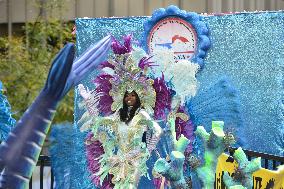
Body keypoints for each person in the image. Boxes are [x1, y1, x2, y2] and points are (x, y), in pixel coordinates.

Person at [79, 87, 162, 189]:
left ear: (138, 97)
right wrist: (88, 101)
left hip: (136, 161)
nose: (129, 98)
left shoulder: (142, 114)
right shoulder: (118, 116)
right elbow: (98, 122)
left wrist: (146, 151)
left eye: (133, 95)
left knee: (131, 186)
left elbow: (158, 131)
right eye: (126, 95)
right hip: (118, 161)